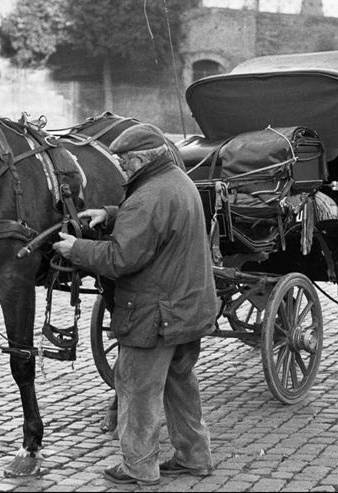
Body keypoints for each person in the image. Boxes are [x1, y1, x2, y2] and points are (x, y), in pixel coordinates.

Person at [53, 123, 217, 486]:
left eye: (124, 161)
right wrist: (111, 214)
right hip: (187, 309)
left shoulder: (147, 198)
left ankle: (138, 466)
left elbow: (119, 257)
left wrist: (75, 249)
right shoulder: (176, 181)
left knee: (135, 387)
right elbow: (155, 222)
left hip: (156, 315)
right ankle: (195, 456)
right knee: (180, 383)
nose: (121, 168)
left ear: (141, 158)